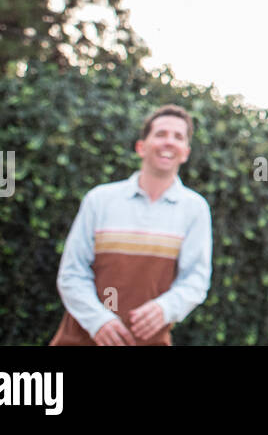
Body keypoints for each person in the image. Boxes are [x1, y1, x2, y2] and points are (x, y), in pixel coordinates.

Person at [50, 104, 212, 346]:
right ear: (141, 147)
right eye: (160, 134)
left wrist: (165, 308)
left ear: (185, 152)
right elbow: (72, 274)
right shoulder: (100, 200)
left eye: (178, 137)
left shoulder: (195, 208)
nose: (169, 142)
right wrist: (99, 321)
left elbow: (195, 280)